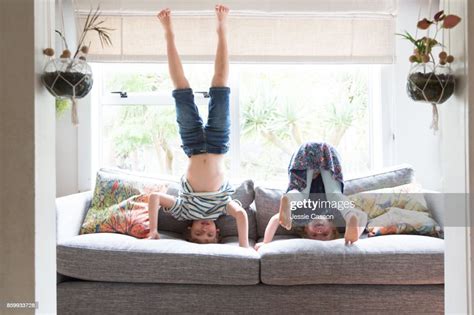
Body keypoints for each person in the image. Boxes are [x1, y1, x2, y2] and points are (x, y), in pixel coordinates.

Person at [146, 5, 249, 248]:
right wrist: (244, 247)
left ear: (189, 228)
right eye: (210, 235)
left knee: (181, 89)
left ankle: (168, 32)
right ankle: (222, 28)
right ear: (217, 232)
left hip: (192, 144)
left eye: (198, 234)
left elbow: (154, 198)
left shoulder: (183, 211)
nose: (205, 230)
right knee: (220, 84)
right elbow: (242, 215)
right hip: (217, 143)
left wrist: (153, 231)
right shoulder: (223, 207)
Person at [255, 143, 368, 250]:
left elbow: (275, 220)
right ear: (333, 228)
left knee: (301, 195)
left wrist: (266, 242)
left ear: (305, 229)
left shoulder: (301, 216)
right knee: (334, 195)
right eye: (325, 234)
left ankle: (289, 199)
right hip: (327, 154)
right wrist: (356, 232)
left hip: (305, 154)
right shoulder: (335, 214)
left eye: (314, 234)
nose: (319, 231)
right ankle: (350, 215)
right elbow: (363, 216)